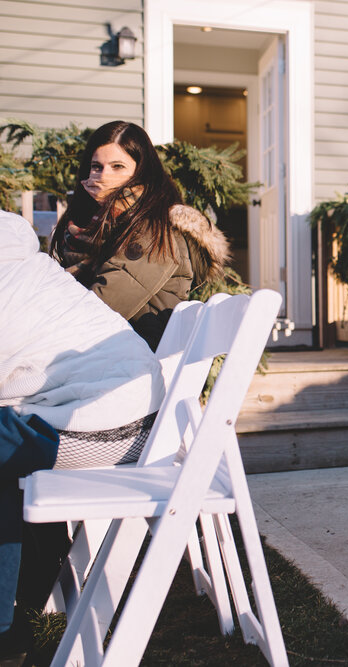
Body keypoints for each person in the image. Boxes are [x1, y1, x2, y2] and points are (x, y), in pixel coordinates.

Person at [1, 209, 166, 659]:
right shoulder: (20, 263)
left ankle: (4, 630)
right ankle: (6, 627)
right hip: (111, 412)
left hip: (107, 426)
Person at [50, 120, 229, 350]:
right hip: (100, 352)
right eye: (97, 167)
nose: (104, 176)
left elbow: (102, 308)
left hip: (134, 360)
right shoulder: (91, 227)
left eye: (117, 166)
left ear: (141, 172)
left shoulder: (157, 230)